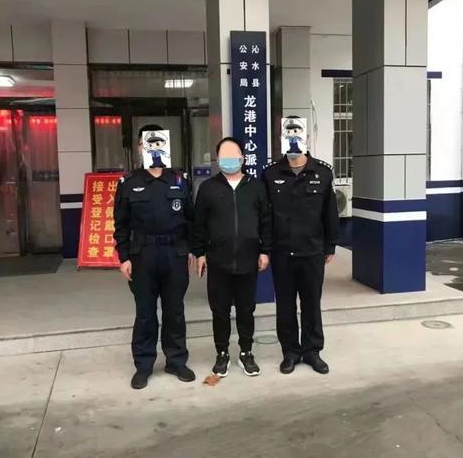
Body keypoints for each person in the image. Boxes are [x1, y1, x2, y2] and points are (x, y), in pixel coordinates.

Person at [113, 124, 195, 389]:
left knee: (175, 311)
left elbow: (191, 220)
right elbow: (121, 225)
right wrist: (124, 257)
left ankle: (176, 361)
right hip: (142, 256)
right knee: (146, 313)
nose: (154, 147)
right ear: (140, 147)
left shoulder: (179, 180)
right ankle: (143, 365)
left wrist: (191, 250)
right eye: (148, 143)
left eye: (160, 142)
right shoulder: (129, 183)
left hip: (174, 254)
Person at [262, 119, 339, 375]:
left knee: (311, 304)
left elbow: (330, 212)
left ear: (306, 139)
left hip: (312, 252)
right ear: (281, 138)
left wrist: (330, 245)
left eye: (297, 133)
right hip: (282, 253)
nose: (293, 138)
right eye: (288, 134)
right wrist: (266, 248)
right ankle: (290, 352)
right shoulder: (271, 174)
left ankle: (312, 351)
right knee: (285, 305)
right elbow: (266, 216)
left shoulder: (323, 173)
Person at [193, 137, 272, 377]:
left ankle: (246, 352)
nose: (229, 160)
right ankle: (222, 353)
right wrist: (199, 253)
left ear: (242, 158)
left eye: (233, 154)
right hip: (218, 261)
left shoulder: (256, 186)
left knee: (246, 310)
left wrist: (265, 250)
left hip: (248, 260)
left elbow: (266, 221)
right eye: (224, 156)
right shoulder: (208, 188)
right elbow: (198, 224)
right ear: (217, 159)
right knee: (220, 311)